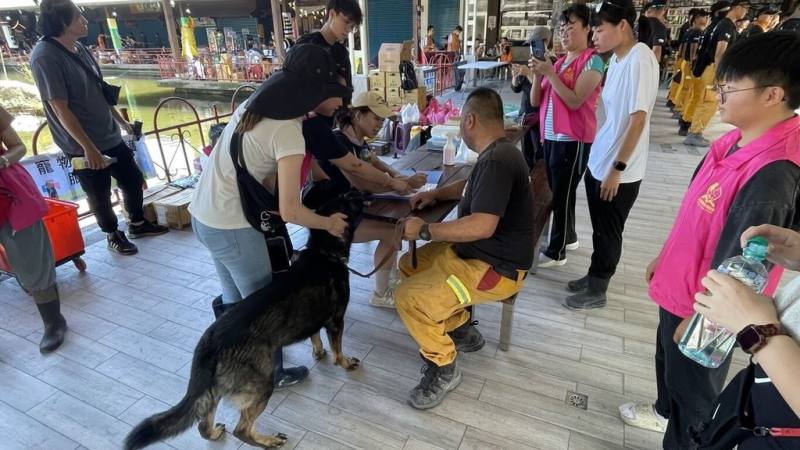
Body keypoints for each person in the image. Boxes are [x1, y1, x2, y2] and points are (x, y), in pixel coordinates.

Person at [619, 32, 800, 449]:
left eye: (728, 88)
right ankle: (666, 411)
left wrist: (704, 324)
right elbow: (694, 212)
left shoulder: (772, 173)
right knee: (669, 370)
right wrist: (665, 255)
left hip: (705, 310)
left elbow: (746, 267)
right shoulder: (732, 140)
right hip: (680, 287)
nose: (717, 95)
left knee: (696, 399)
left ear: (773, 94)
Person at [189, 44, 351, 389]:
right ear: (314, 91)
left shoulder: (255, 106)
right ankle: (269, 375)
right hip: (233, 227)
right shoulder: (288, 130)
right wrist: (329, 223)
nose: (340, 102)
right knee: (264, 311)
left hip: (204, 217)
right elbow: (291, 209)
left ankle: (229, 368)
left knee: (238, 305)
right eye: (336, 93)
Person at [395, 88, 534, 410]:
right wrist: (438, 194)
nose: (460, 128)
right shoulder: (498, 152)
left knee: (408, 297)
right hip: (478, 254)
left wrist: (426, 229)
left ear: (470, 120)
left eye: (461, 122)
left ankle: (444, 367)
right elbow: (472, 185)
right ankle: (460, 329)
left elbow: (482, 225)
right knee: (411, 264)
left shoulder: (497, 160)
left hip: (494, 270)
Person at [30, 0, 168, 256]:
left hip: (109, 134)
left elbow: (100, 91)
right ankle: (113, 234)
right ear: (62, 22)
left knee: (132, 178)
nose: (85, 21)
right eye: (78, 17)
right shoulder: (45, 57)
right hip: (82, 145)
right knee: (99, 193)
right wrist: (88, 149)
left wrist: (122, 123)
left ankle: (137, 222)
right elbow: (61, 109)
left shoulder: (80, 48)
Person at [564, 0, 658, 310]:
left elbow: (638, 118)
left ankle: (599, 287)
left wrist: (618, 167)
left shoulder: (640, 59)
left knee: (608, 231)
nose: (594, 37)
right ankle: (593, 275)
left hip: (619, 169)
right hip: (600, 159)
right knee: (599, 226)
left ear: (623, 26)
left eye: (600, 30)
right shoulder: (615, 60)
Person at [310, 92, 426, 308]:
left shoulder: (358, 142)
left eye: (383, 120)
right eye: (376, 118)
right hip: (331, 220)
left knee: (396, 226)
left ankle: (390, 282)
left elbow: (378, 164)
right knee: (393, 230)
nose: (380, 125)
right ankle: (381, 294)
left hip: (349, 211)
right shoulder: (338, 141)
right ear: (356, 114)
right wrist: (398, 185)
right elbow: (360, 183)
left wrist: (404, 179)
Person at [529, 3, 604, 268]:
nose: (564, 33)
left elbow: (574, 101)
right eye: (561, 28)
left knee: (561, 194)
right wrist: (539, 75)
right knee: (561, 191)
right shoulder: (560, 62)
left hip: (573, 140)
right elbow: (537, 101)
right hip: (550, 139)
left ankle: (556, 250)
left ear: (587, 29)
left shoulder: (593, 61)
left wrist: (550, 73)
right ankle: (568, 236)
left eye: (570, 27)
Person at [0, 106, 68, 353]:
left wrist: (4, 160)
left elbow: (18, 146)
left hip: (9, 197)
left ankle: (53, 322)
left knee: (32, 261)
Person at [684, 0, 750, 147]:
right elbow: (720, 51)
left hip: (711, 68)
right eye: (745, 8)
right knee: (708, 101)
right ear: (736, 8)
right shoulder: (726, 25)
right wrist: (720, 74)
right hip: (714, 68)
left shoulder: (721, 24)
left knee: (705, 100)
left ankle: (693, 130)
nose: (746, 12)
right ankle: (695, 133)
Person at [678, 0, 731, 137]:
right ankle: (694, 131)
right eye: (703, 16)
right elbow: (694, 50)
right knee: (707, 100)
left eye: (707, 16)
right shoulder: (717, 28)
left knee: (695, 96)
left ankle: (686, 122)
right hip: (707, 68)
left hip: (698, 68)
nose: (705, 18)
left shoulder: (709, 28)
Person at [670, 9, 710, 130]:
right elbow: (692, 48)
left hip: (685, 62)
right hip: (689, 64)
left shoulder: (689, 31)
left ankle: (681, 109)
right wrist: (692, 61)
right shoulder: (696, 32)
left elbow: (682, 47)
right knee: (688, 89)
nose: (706, 20)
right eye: (704, 17)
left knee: (686, 88)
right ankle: (681, 111)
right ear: (696, 19)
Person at [509, 61, 540, 169]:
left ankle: (539, 176)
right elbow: (515, 88)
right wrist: (515, 76)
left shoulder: (542, 72)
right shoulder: (526, 72)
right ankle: (529, 175)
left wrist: (529, 74)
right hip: (525, 115)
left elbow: (541, 90)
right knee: (526, 149)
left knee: (538, 149)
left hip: (538, 116)